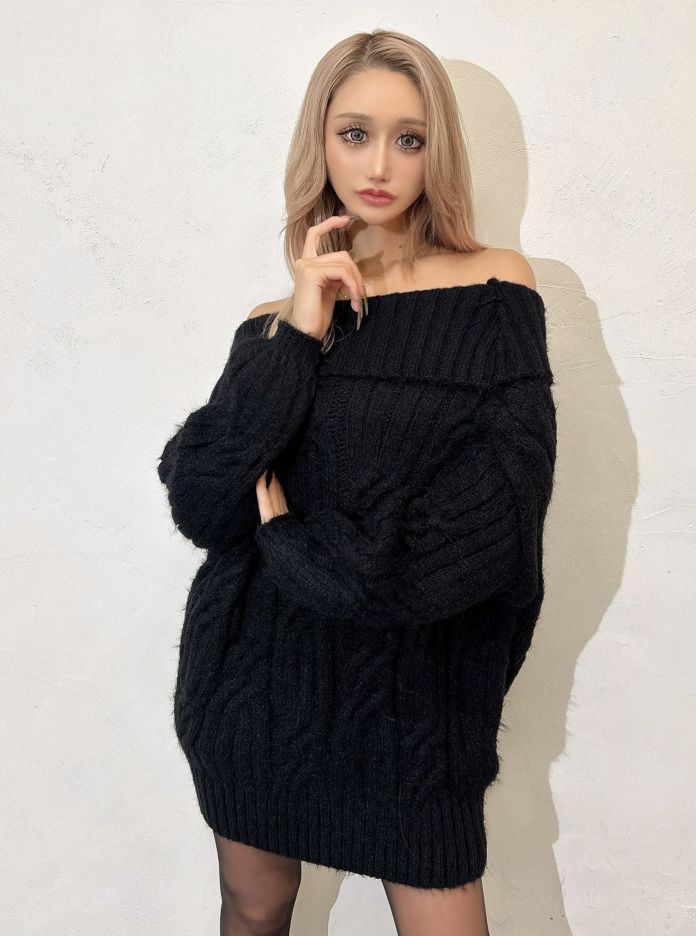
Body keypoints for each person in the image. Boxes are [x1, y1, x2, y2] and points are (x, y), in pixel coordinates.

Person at [157, 28, 557, 936]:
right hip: (254, 688)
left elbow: (496, 520)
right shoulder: (275, 318)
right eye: (355, 134)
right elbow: (207, 500)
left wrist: (297, 546)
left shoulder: (495, 287)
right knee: (254, 909)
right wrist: (301, 328)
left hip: (415, 700)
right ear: (322, 142)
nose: (379, 165)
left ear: (438, 150)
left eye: (409, 138)